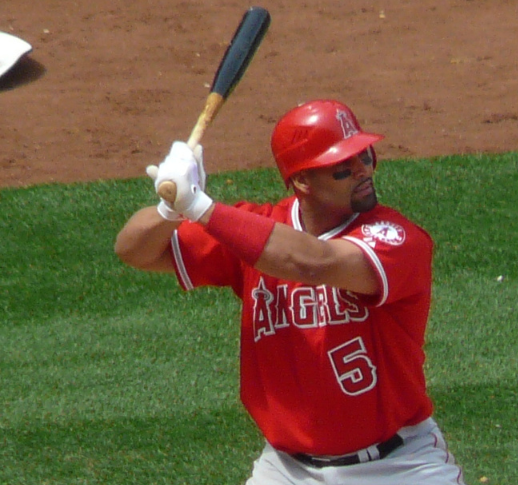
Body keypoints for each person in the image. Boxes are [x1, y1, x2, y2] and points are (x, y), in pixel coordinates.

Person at [115, 99, 466, 485]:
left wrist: (200, 207)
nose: (363, 170)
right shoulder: (254, 229)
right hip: (287, 470)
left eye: (365, 155)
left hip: (399, 466)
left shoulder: (395, 237)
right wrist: (169, 209)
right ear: (302, 182)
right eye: (342, 166)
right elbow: (134, 251)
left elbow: (313, 262)